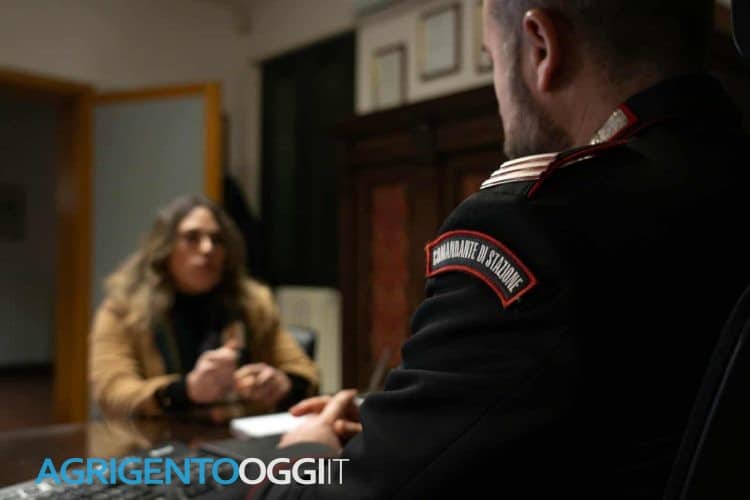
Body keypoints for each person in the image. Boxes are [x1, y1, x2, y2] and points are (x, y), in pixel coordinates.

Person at [248, 0, 750, 498]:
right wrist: (407, 427)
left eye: (491, 60)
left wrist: (303, 450)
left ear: (542, 48)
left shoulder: (538, 227)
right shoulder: (726, 173)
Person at [89, 195, 318, 422]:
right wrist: (186, 390)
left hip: (237, 435)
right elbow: (112, 392)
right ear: (165, 248)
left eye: (217, 240)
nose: (208, 248)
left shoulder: (252, 303)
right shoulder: (123, 308)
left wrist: (281, 383)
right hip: (156, 438)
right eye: (192, 238)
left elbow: (305, 371)